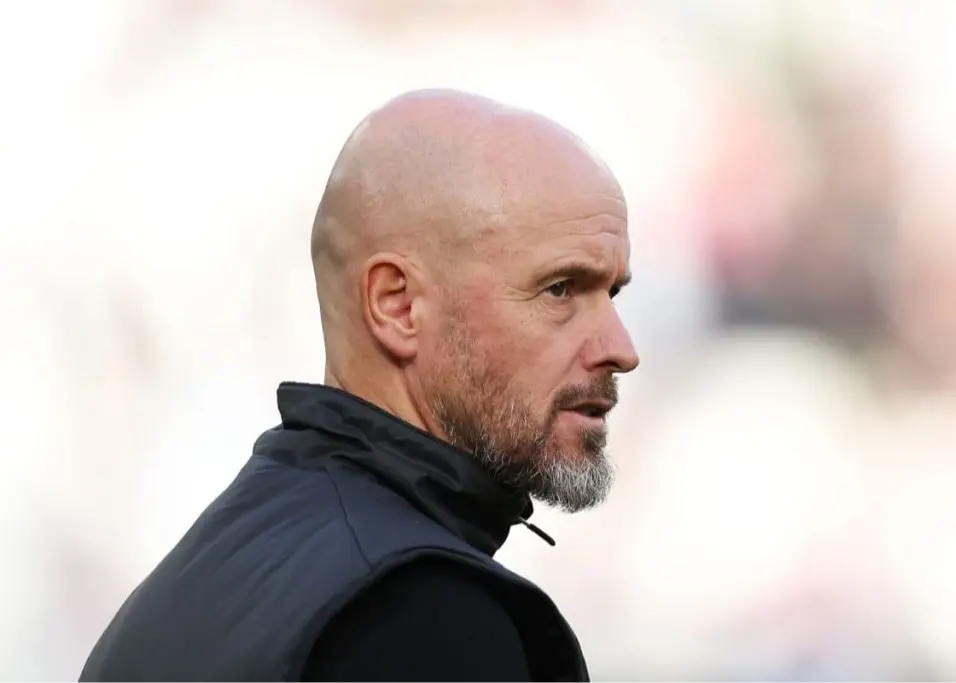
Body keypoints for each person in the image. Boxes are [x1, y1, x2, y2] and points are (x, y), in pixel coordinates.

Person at [79, 89, 639, 683]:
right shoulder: (427, 619)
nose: (621, 349)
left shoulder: (202, 580)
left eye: (612, 293)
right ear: (397, 305)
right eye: (560, 289)